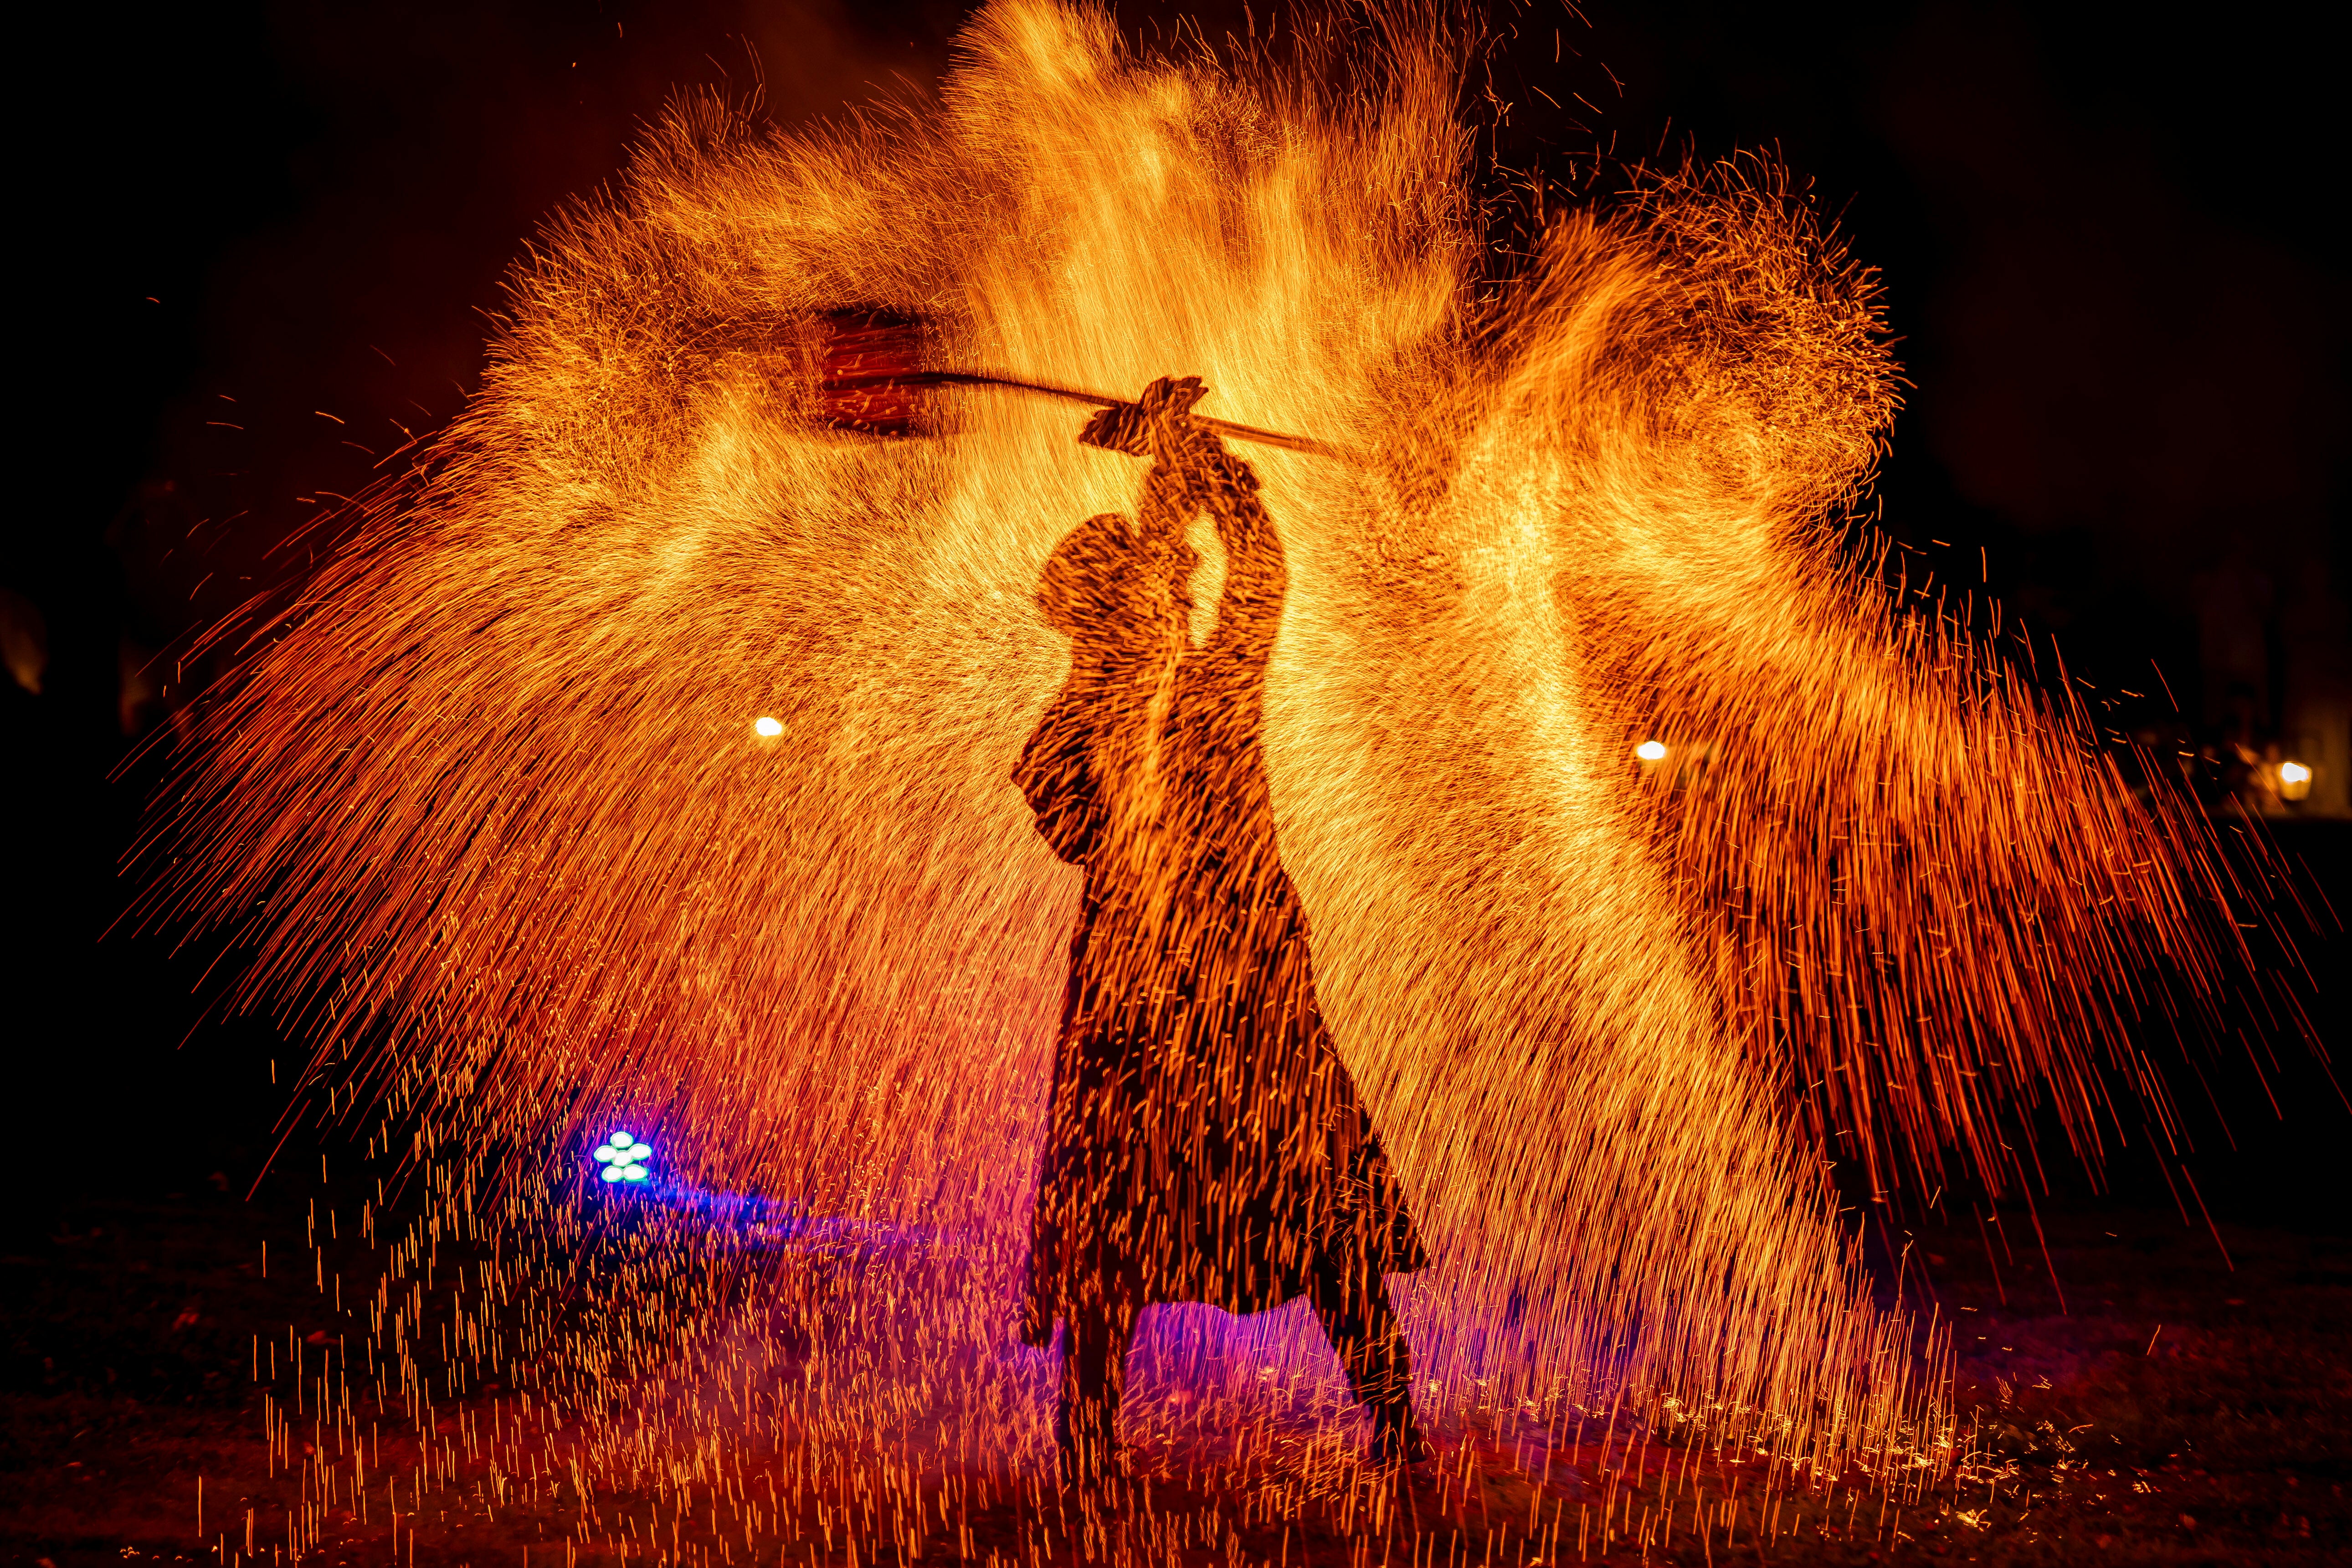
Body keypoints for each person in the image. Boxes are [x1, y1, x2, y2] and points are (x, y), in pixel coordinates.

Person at [1014, 376, 1431, 1486]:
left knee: (1264, 1227)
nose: (1165, 605)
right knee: (1154, 1232)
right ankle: (1384, 1434)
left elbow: (1249, 575)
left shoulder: (1168, 695)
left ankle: (1093, 1445)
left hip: (1221, 1006)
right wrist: (1196, 481)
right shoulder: (1140, 706)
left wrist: (1190, 476)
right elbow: (1247, 577)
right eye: (1137, 598)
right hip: (1187, 1014)